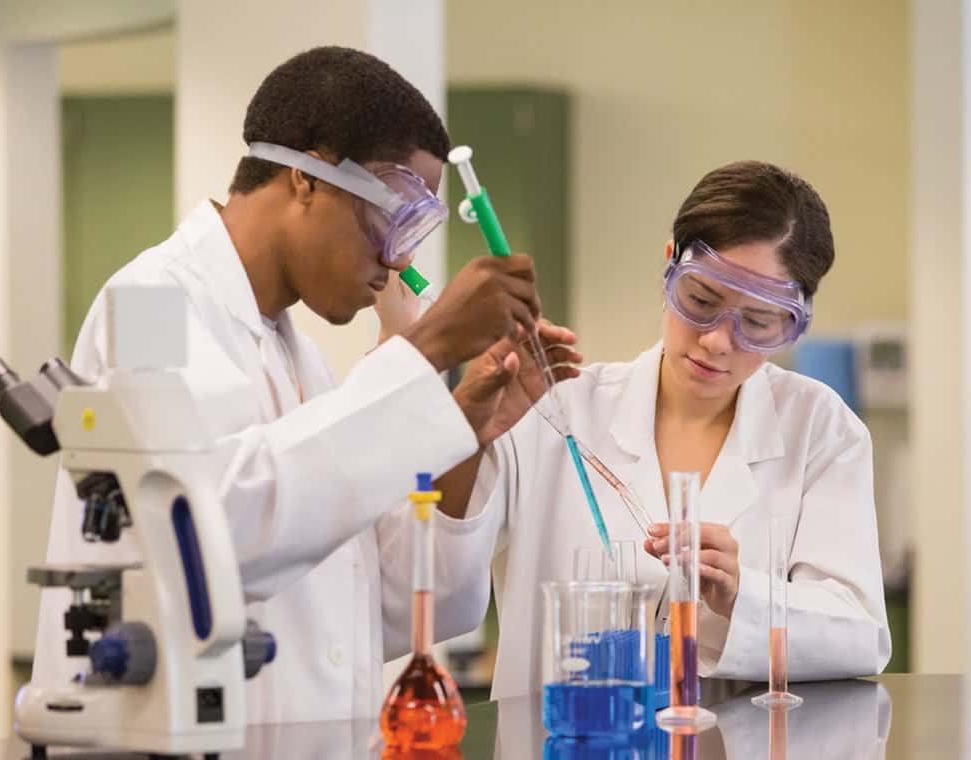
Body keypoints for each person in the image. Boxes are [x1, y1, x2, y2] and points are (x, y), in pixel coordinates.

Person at [34, 46, 577, 723]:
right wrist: (428, 346)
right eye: (395, 214)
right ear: (307, 176)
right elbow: (211, 536)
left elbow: (388, 606)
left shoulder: (304, 359)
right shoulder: (151, 305)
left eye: (418, 227)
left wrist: (461, 428)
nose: (399, 257)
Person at [423, 160, 891, 699]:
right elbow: (435, 588)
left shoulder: (819, 429)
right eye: (701, 301)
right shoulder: (555, 410)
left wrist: (744, 595)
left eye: (758, 322)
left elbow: (861, 635)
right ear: (669, 266)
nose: (718, 340)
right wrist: (468, 427)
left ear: (794, 320)